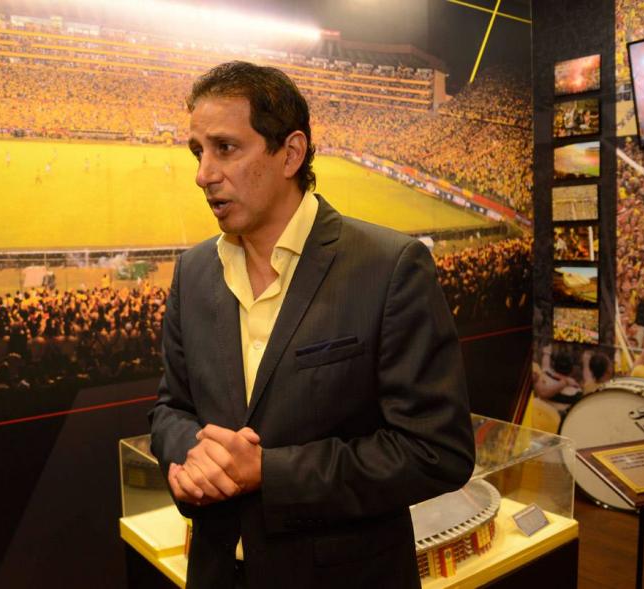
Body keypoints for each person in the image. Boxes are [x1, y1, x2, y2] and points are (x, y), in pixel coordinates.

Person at [149, 62, 474, 589]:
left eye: (225, 148)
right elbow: (170, 409)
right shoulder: (194, 271)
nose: (203, 174)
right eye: (197, 152)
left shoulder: (389, 267)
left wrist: (269, 472)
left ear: (291, 153)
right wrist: (191, 456)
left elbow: (436, 452)